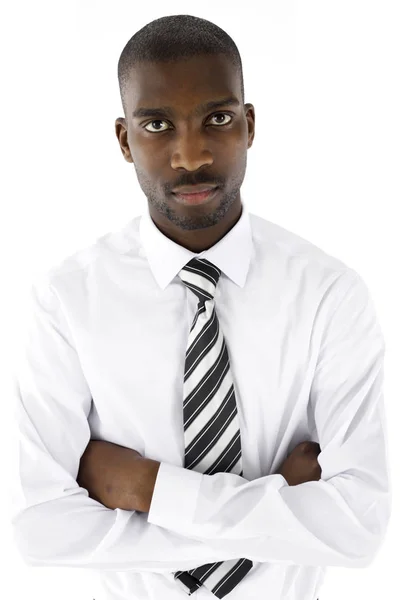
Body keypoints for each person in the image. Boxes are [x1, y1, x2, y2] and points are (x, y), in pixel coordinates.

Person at [11, 13, 391, 600]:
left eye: (217, 119)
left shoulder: (329, 295)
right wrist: (275, 509)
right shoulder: (65, 301)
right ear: (123, 139)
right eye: (158, 125)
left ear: (250, 124)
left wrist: (148, 489)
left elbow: (358, 529)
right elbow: (42, 532)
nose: (190, 157)